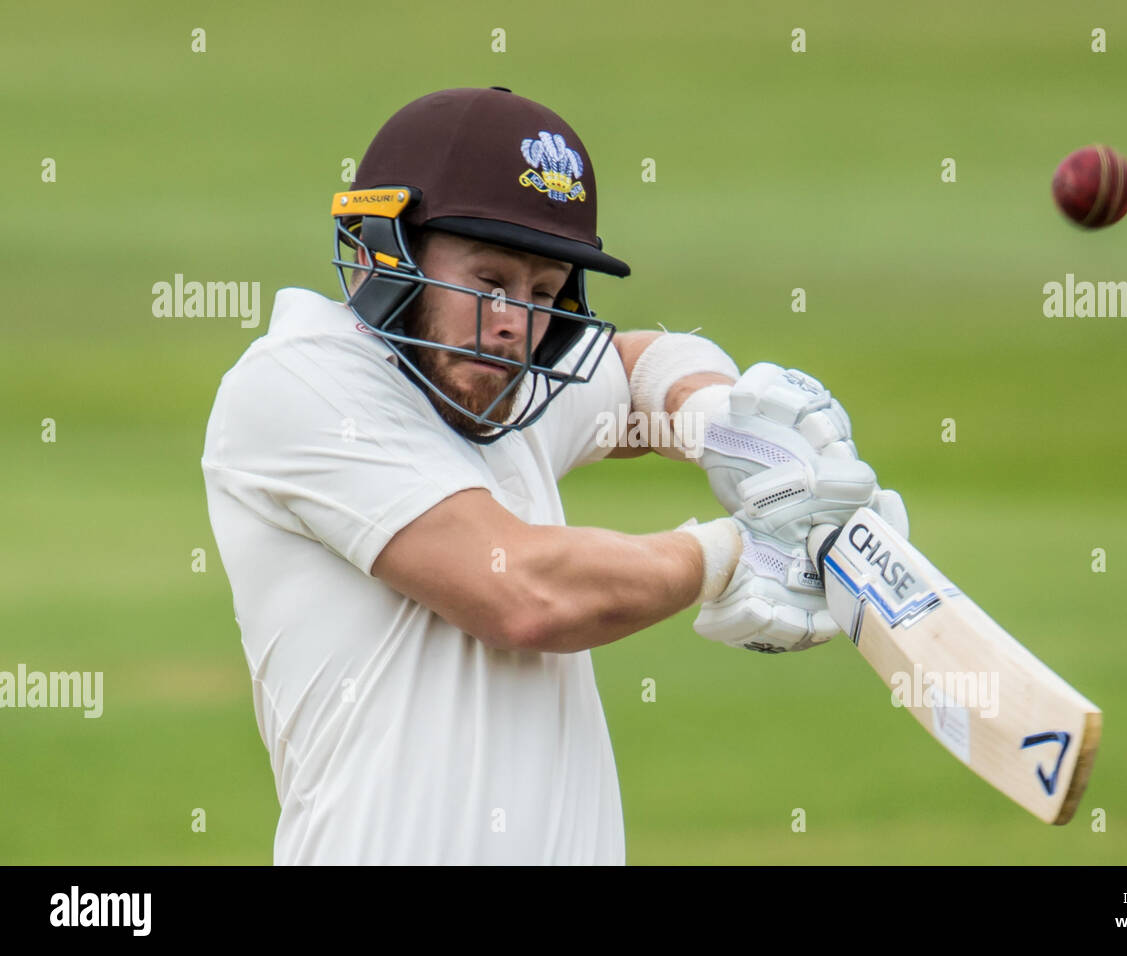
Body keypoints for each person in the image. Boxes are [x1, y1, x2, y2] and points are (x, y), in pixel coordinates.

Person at [201, 87, 907, 864]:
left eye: (542, 293)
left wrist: (728, 425)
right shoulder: (303, 383)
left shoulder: (492, 383)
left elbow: (640, 365)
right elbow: (525, 594)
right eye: (489, 279)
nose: (514, 322)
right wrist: (736, 551)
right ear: (384, 250)